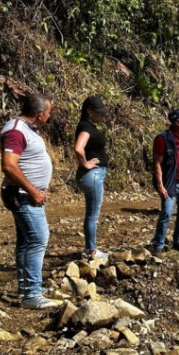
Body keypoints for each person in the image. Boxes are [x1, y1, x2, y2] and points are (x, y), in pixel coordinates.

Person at [0, 92, 60, 309]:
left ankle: (27, 287)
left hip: (28, 193)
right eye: (49, 112)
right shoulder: (15, 131)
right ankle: (32, 294)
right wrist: (33, 189)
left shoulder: (27, 129)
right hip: (22, 194)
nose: (49, 116)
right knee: (38, 239)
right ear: (39, 113)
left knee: (26, 241)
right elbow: (8, 165)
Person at [150, 108, 179, 252]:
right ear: (177, 122)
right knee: (167, 214)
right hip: (170, 183)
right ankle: (158, 245)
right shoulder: (163, 139)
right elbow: (157, 163)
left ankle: (178, 240)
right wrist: (160, 185)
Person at [74, 95, 110, 261]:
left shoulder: (87, 126)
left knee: (91, 214)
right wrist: (86, 163)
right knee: (92, 215)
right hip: (92, 175)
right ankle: (92, 251)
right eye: (99, 112)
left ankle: (89, 248)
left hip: (90, 176)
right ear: (89, 112)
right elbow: (78, 148)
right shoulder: (86, 127)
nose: (102, 116)